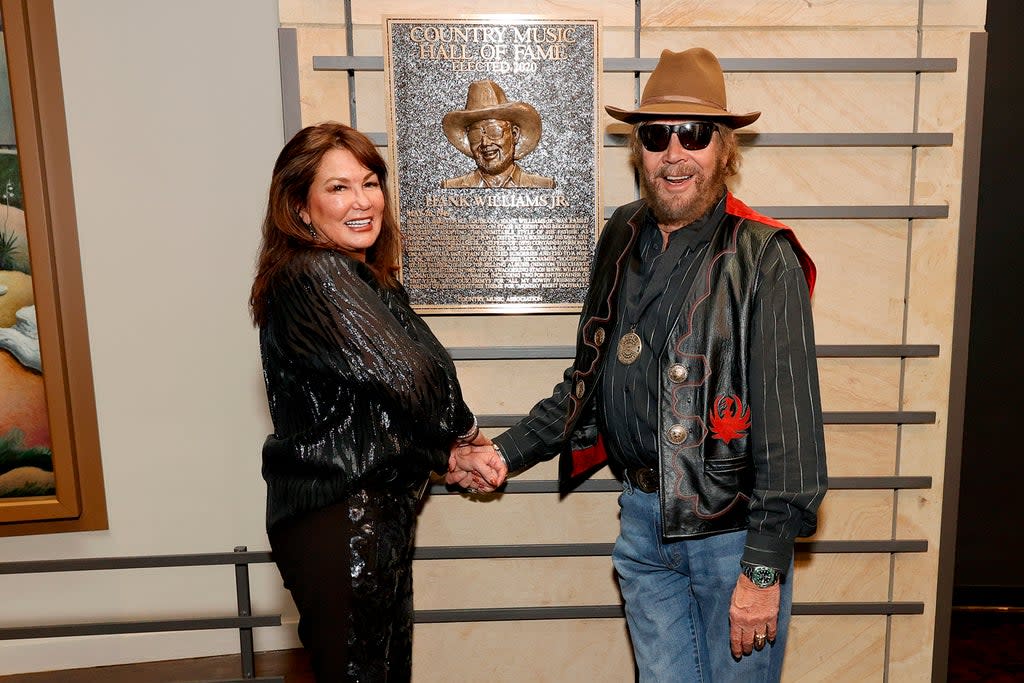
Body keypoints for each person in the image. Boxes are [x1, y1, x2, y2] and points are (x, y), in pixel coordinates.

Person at [449, 48, 828, 681]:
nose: (674, 152)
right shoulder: (621, 235)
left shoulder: (766, 257)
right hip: (642, 529)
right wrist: (505, 453)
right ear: (638, 149)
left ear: (725, 148)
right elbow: (587, 383)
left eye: (694, 134)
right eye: (655, 135)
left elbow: (791, 440)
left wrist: (762, 572)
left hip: (731, 539)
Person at [250, 122, 503, 681]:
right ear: (299, 207)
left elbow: (378, 410)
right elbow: (412, 377)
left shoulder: (367, 282)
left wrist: (446, 456)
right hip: (338, 518)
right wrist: (463, 436)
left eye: (369, 182)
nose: (362, 201)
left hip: (372, 515)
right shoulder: (314, 273)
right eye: (338, 188)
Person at [440, 79, 556, 189]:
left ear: (514, 134)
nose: (485, 143)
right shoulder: (451, 187)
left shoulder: (543, 185)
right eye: (476, 135)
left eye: (494, 132)